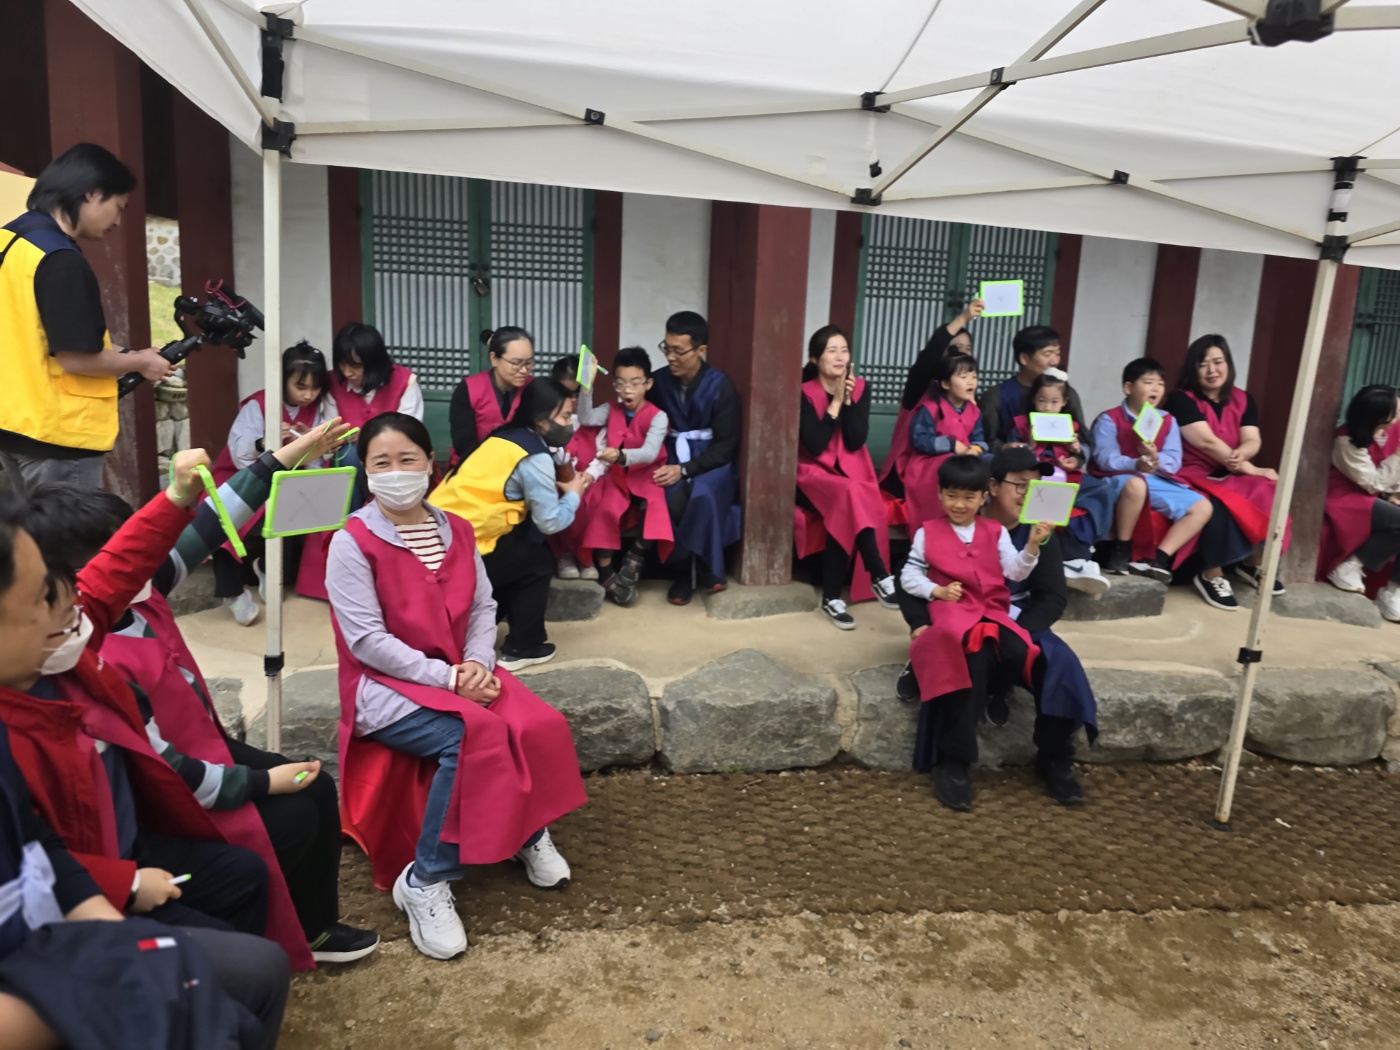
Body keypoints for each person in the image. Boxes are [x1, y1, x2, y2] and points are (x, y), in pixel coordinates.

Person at [22, 423, 380, 967]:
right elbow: (165, 768)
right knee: (290, 819)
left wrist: (284, 457)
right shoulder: (81, 653)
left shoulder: (137, 590)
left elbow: (209, 522)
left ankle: (314, 928)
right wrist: (261, 782)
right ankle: (256, 945)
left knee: (316, 787)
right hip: (161, 784)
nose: (146, 556)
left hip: (201, 747)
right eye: (124, 549)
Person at [0, 493, 290, 1050]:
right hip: (64, 933)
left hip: (103, 881)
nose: (74, 602)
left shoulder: (60, 646)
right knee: (244, 972)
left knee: (241, 899)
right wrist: (125, 915)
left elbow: (120, 564)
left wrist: (179, 497)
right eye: (41, 596)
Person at [325, 413, 588, 961]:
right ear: (364, 471)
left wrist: (475, 662)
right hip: (387, 686)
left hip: (464, 670)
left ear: (432, 463)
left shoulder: (458, 529)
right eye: (381, 463)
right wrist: (448, 678)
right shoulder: (351, 542)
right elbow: (367, 641)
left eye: (407, 460)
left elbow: (484, 606)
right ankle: (425, 879)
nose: (396, 472)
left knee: (540, 724)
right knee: (469, 737)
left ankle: (525, 831)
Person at [0, 143, 174, 489]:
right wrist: (141, 362)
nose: (118, 221)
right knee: (68, 527)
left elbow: (39, 335)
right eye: (118, 207)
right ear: (92, 193)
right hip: (58, 436)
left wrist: (128, 353)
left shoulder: (10, 240)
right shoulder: (61, 258)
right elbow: (75, 358)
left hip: (13, 425)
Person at [898, 455, 1048, 812]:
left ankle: (997, 689)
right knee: (966, 656)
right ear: (939, 494)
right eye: (951, 496)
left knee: (1019, 650)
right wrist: (936, 590)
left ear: (984, 497)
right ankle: (955, 762)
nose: (959, 505)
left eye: (968, 497)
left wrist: (1032, 546)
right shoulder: (926, 533)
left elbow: (1014, 572)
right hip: (952, 611)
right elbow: (908, 576)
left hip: (990, 610)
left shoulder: (995, 531)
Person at [432, 384, 592, 669]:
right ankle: (524, 646)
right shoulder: (534, 456)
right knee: (536, 562)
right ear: (542, 420)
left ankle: (475, 631)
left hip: (440, 535)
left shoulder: (504, 437)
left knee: (516, 554)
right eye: (566, 417)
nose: (570, 424)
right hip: (469, 545)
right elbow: (550, 521)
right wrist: (574, 495)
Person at [1090, 358, 1251, 610]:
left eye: (1160, 383)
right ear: (1128, 388)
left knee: (1202, 507)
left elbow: (1174, 460)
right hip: (1117, 477)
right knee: (1136, 485)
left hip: (1156, 477)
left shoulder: (1167, 420)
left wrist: (1155, 459)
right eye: (1148, 382)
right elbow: (1105, 458)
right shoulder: (1110, 418)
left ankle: (1159, 559)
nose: (1155, 388)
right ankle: (1121, 550)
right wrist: (1136, 463)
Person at [210, 341, 334, 624]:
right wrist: (265, 441)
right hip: (239, 475)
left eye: (314, 387)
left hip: (285, 478)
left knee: (301, 500)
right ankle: (232, 592)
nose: (308, 394)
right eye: (300, 386)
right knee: (222, 514)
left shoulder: (318, 409)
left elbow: (318, 461)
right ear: (282, 380)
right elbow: (239, 453)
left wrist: (311, 444)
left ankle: (268, 568)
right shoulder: (259, 404)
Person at [1164, 334, 1287, 596]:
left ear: (1228, 364)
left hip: (1232, 471)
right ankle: (1211, 572)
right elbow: (1206, 442)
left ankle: (1252, 561)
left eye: (1218, 362)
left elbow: (1252, 438)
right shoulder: (1181, 399)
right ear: (1192, 369)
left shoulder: (1243, 399)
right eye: (1203, 364)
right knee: (1220, 502)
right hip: (1192, 473)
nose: (1212, 370)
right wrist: (1249, 468)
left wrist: (1244, 452)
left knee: (1268, 488)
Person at [794, 325, 897, 629]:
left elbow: (854, 441)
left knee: (848, 498)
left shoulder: (860, 387)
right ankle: (879, 573)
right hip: (810, 474)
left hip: (850, 472)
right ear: (815, 359)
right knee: (849, 494)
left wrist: (849, 401)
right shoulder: (804, 392)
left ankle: (831, 598)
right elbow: (815, 445)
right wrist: (835, 403)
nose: (840, 357)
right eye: (831, 351)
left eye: (844, 350)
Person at [648, 310, 742, 605]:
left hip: (711, 459)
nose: (671, 357)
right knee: (670, 495)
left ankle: (701, 567)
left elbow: (726, 446)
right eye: (666, 348)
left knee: (703, 493)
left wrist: (686, 469)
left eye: (679, 351)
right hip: (670, 454)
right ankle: (685, 572)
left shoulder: (721, 386)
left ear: (701, 350)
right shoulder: (657, 382)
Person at [573, 347, 673, 607]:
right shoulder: (611, 409)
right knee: (605, 509)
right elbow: (585, 418)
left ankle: (636, 555)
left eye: (635, 383)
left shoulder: (658, 417)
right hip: (617, 476)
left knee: (656, 506)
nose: (627, 390)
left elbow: (650, 452)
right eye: (620, 383)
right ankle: (607, 574)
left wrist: (620, 454)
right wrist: (587, 386)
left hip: (647, 474)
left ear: (648, 383)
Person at [1006, 369, 1111, 594]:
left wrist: (1075, 455)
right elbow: (1012, 458)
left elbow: (1083, 453)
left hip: (1066, 474)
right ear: (1033, 400)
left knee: (1101, 489)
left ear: (1064, 402)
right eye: (1042, 400)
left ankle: (1083, 555)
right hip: (1035, 474)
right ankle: (1073, 560)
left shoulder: (1071, 426)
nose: (1047, 407)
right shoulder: (1022, 424)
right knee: (1054, 499)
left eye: (1054, 402)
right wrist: (1030, 445)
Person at [880, 299, 983, 495]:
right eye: (954, 348)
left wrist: (976, 449)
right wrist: (963, 317)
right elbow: (932, 351)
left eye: (967, 349)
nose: (961, 355)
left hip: (961, 468)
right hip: (913, 469)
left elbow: (978, 437)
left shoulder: (967, 391)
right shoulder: (921, 385)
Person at [1319, 384, 1400, 620]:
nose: (1398, 416)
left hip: (1373, 496)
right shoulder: (1346, 440)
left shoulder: (1391, 429)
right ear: (1377, 416)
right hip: (1344, 497)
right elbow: (1372, 482)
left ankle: (1393, 591)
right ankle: (1351, 566)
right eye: (1395, 412)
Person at [902, 352, 987, 528]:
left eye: (974, 377)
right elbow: (920, 440)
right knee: (951, 464)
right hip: (929, 464)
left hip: (965, 459)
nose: (971, 382)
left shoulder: (975, 411)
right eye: (963, 377)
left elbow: (978, 437)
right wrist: (951, 444)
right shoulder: (930, 408)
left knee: (990, 461)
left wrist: (975, 449)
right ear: (946, 383)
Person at [978, 325, 1087, 452]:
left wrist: (1076, 456)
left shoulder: (1066, 393)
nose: (1054, 361)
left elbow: (1085, 440)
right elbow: (985, 441)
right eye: (1047, 354)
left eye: (1057, 353)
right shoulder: (995, 396)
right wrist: (1003, 448)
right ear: (1025, 358)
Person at [547, 354, 601, 582]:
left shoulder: (594, 420)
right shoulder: (548, 422)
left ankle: (586, 554)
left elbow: (603, 455)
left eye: (578, 393)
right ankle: (564, 554)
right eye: (566, 393)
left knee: (596, 496)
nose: (572, 399)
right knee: (554, 492)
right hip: (560, 479)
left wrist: (591, 474)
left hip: (588, 478)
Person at [448, 327, 535, 463]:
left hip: (521, 465)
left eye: (528, 363)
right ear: (494, 359)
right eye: (516, 363)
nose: (524, 370)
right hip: (473, 464)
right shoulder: (469, 388)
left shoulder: (534, 388)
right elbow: (463, 443)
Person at [324, 321, 424, 427]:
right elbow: (330, 427)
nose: (347, 372)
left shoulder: (405, 382)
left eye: (356, 366)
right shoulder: (332, 382)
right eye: (342, 364)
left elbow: (409, 430)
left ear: (374, 363)